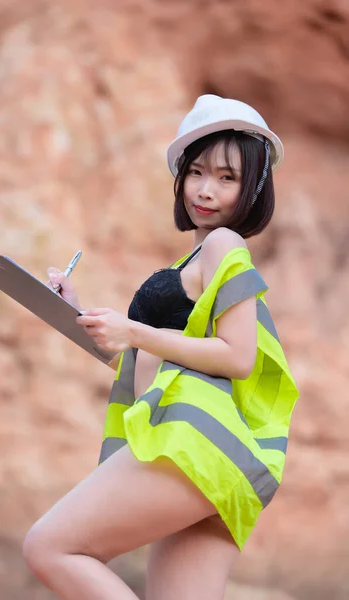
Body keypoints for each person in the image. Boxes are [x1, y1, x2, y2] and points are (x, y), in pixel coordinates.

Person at [23, 95, 299, 600]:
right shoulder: (197, 256)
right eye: (196, 172)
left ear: (255, 186)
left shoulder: (223, 245)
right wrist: (82, 313)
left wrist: (134, 330)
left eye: (226, 177)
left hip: (190, 443)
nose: (205, 190)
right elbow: (153, 357)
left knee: (49, 547)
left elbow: (238, 357)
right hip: (217, 461)